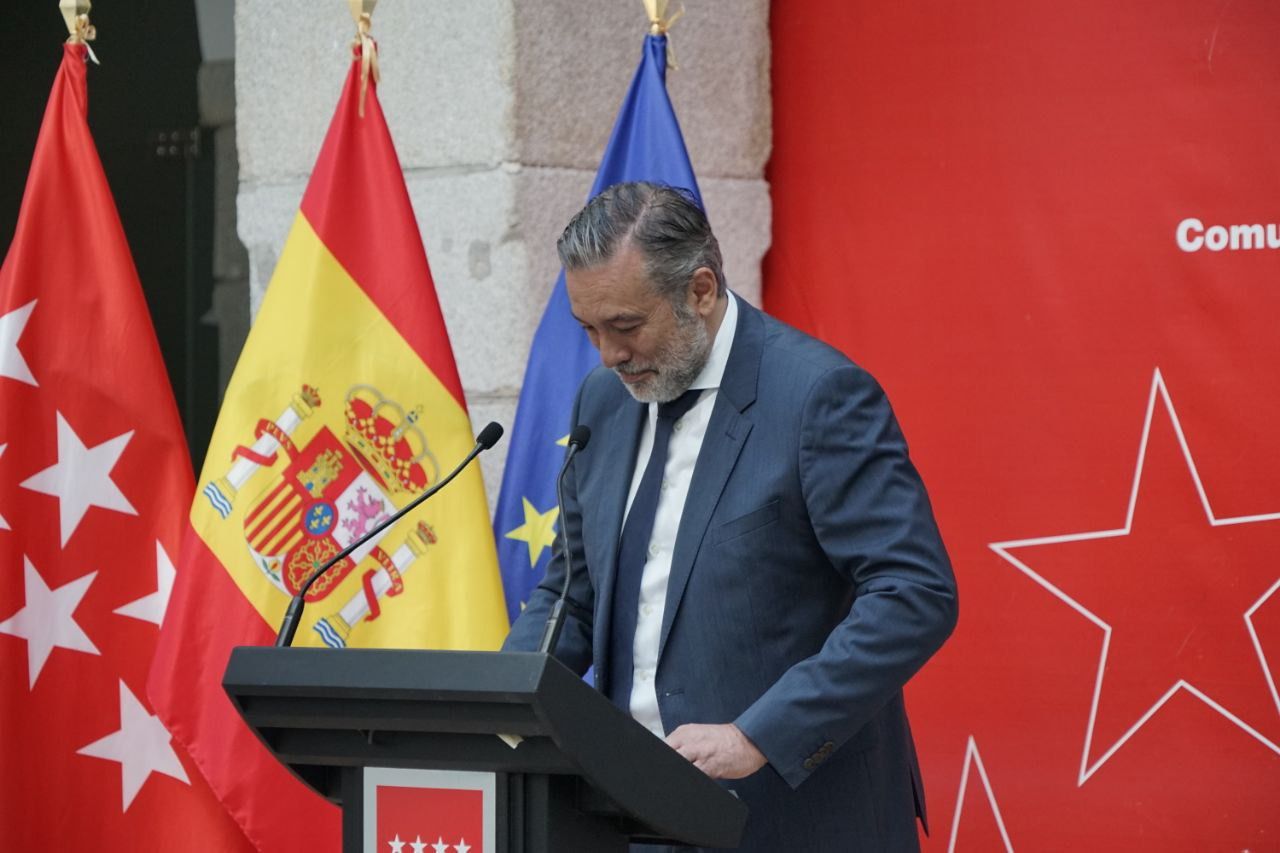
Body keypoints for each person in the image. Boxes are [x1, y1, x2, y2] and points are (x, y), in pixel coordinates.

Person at [503, 181, 958, 852]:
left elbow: (914, 594)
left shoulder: (817, 397)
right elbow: (571, 593)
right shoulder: (603, 401)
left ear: (702, 290)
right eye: (589, 330)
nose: (608, 354)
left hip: (794, 818)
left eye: (626, 326)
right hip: (628, 816)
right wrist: (502, 704)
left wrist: (759, 734)